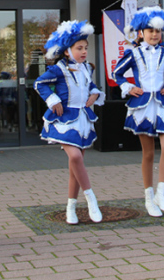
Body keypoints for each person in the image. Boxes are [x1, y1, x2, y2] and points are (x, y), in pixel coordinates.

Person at [113, 7, 164, 217]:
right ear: (140, 33)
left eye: (157, 30)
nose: (154, 34)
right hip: (143, 106)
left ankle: (162, 193)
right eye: (149, 30)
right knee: (148, 153)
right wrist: (128, 88)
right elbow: (117, 73)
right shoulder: (133, 54)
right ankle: (148, 196)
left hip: (163, 104)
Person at [33, 20, 104, 225]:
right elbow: (39, 83)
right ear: (66, 51)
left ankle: (71, 207)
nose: (83, 52)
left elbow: (91, 85)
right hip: (64, 120)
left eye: (85, 48)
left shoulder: (85, 69)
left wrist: (94, 94)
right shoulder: (58, 69)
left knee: (76, 166)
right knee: (75, 157)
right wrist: (53, 100)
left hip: (82, 119)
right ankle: (91, 199)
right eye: (79, 48)